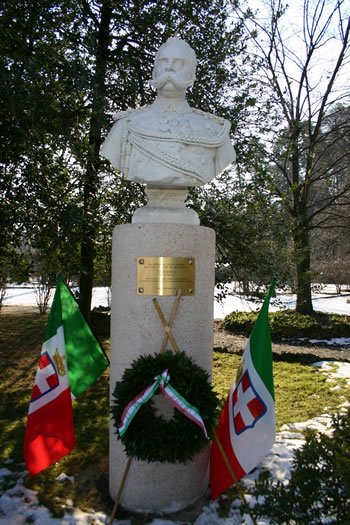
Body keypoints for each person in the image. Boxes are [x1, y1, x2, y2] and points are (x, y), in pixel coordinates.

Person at [100, 37, 235, 188]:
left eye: (178, 63)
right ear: (154, 71)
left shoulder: (215, 131)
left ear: (192, 75)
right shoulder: (125, 126)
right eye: (164, 62)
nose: (169, 68)